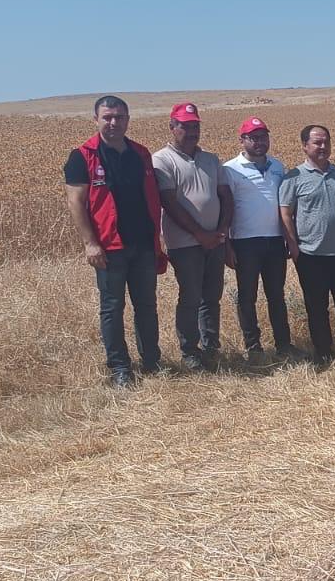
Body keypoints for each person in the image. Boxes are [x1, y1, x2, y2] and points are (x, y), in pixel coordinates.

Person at [62, 94, 167, 387]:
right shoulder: (82, 156)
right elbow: (76, 203)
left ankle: (152, 361)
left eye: (119, 117)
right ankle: (120, 367)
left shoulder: (141, 154)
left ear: (127, 120)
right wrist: (90, 243)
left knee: (146, 305)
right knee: (112, 307)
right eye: (107, 117)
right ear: (96, 120)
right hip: (109, 247)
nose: (113, 123)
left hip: (143, 244)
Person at [153, 103, 234, 372]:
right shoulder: (162, 160)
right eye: (185, 126)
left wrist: (222, 230)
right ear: (172, 127)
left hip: (215, 240)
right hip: (185, 244)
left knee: (212, 296)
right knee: (190, 297)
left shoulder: (211, 159)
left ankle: (211, 348)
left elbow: (225, 195)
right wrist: (201, 234)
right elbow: (169, 203)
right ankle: (190, 351)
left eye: (195, 126)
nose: (191, 131)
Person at [278, 124, 335, 366]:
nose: (323, 146)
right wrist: (293, 246)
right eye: (317, 142)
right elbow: (285, 214)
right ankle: (323, 351)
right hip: (310, 254)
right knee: (317, 307)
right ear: (304, 146)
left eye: (326, 141)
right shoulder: (293, 178)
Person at [222, 116, 293, 360]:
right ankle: (253, 347)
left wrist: (288, 238)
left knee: (277, 296)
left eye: (263, 137)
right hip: (245, 242)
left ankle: (284, 345)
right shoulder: (230, 169)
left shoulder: (278, 166)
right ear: (242, 140)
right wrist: (227, 245)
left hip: (275, 240)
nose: (259, 142)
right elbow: (225, 209)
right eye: (253, 138)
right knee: (247, 297)